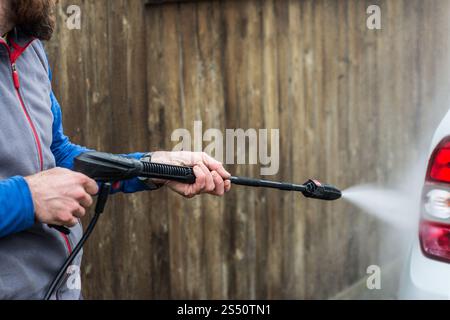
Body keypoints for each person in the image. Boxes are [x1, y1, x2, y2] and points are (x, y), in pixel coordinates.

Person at [0, 0, 231, 300]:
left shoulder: (29, 51)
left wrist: (150, 166)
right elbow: (37, 188)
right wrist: (27, 198)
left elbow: (57, 154)